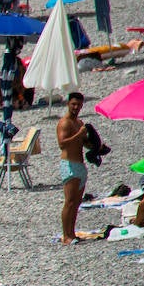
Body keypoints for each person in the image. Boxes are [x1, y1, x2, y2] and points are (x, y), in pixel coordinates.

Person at [57, 91, 87, 245]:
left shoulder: (80, 123)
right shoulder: (65, 123)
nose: (76, 107)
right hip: (69, 165)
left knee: (76, 202)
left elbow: (84, 143)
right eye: (73, 104)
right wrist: (79, 134)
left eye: (78, 105)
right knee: (69, 201)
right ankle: (65, 236)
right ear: (68, 104)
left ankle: (72, 232)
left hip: (80, 165)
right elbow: (62, 144)